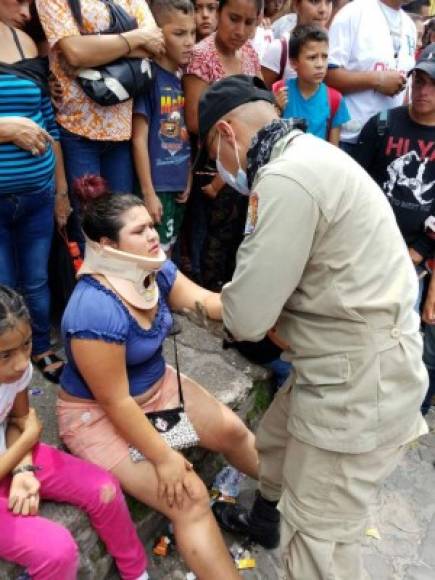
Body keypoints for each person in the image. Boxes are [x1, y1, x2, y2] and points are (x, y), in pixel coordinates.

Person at [196, 74, 428, 577]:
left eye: (212, 150)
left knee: (317, 541)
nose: (218, 168)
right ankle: (263, 519)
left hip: (360, 383)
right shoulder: (310, 153)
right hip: (352, 359)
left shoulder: (283, 179)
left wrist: (192, 298)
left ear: (228, 135)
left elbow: (248, 318)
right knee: (277, 442)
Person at [57, 176, 259, 580]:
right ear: (108, 246)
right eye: (139, 230)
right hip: (100, 417)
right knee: (190, 499)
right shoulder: (93, 310)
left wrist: (262, 302)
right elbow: (115, 402)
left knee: (232, 431)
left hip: (156, 391)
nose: (153, 234)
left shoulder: (156, 268)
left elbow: (202, 300)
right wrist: (165, 458)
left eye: (150, 225)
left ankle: (294, 504)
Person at [0, 285, 149, 580]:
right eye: (5, 355)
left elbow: (18, 418)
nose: (21, 363)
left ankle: (137, 572)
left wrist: (23, 470)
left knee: (104, 488)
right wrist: (27, 443)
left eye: (27, 345)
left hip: (11, 454)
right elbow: (27, 430)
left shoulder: (17, 371)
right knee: (57, 552)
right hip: (14, 451)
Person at [35, 0, 165, 244]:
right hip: (77, 130)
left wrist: (92, 50)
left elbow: (155, 44)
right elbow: (74, 53)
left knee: (127, 231)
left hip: (121, 130)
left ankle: (122, 284)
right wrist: (134, 39)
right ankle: (97, 284)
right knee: (90, 236)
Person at [355, 43, 435, 415]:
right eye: (419, 79)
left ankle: (397, 411)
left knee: (402, 336)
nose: (423, 90)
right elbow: (355, 186)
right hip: (369, 249)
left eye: (432, 84)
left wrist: (418, 249)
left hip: (415, 261)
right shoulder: (384, 125)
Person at [0, 0, 71, 384]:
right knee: (4, 286)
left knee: (37, 280)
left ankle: (41, 347)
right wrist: (5, 129)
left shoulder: (25, 41)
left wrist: (60, 188)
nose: (27, 9)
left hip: (37, 194)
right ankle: (8, 362)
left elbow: (48, 119)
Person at [184, 0, 262, 291]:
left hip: (246, 158)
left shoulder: (250, 53)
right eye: (233, 18)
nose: (240, 30)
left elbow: (260, 101)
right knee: (208, 232)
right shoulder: (202, 56)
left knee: (240, 229)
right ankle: (202, 291)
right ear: (219, 13)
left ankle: (231, 287)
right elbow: (194, 120)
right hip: (211, 161)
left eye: (249, 22)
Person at [132, 0, 195, 255]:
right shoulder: (149, 79)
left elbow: (184, 132)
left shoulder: (183, 79)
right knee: (155, 257)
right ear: (157, 34)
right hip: (156, 188)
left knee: (169, 253)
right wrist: (148, 192)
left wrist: (187, 175)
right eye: (179, 34)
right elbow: (138, 139)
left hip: (178, 184)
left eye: (192, 33)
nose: (189, 41)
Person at [326, 0, 417, 158]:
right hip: (348, 139)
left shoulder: (410, 26)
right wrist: (377, 79)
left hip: (389, 142)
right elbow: (327, 75)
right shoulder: (354, 12)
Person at [275, 24, 349, 144]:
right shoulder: (280, 91)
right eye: (312, 57)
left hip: (317, 162)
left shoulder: (335, 100)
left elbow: (333, 150)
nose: (320, 64)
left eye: (324, 57)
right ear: (294, 63)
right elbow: (268, 134)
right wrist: (276, 109)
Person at [261, 0, 333, 89]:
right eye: (315, 1)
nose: (323, 9)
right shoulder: (280, 48)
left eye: (328, 2)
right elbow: (262, 94)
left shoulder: (334, 44)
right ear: (296, 4)